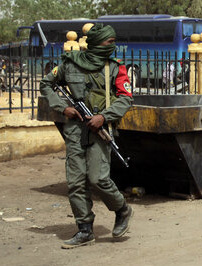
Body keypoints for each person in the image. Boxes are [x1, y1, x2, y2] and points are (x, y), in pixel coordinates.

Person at [39, 23, 134, 249]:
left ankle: (122, 209)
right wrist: (63, 108)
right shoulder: (70, 64)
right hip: (75, 129)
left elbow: (126, 97)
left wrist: (104, 116)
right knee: (75, 182)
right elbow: (46, 84)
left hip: (100, 130)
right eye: (108, 42)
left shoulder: (115, 68)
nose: (112, 46)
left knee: (98, 179)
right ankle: (84, 230)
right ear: (96, 43)